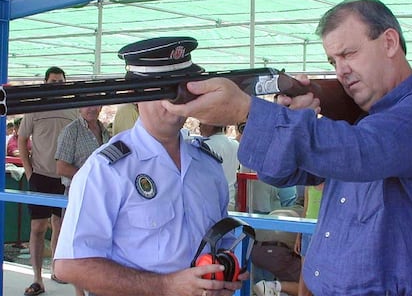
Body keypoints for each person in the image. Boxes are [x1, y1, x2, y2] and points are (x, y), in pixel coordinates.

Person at [161, 0, 412, 295]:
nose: (341, 71)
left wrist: (249, 112)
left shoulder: (393, 121)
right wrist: (295, 117)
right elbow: (283, 175)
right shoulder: (362, 120)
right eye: (333, 61)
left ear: (389, 42)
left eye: (349, 54)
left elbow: (362, 151)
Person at [53, 37, 249, 296]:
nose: (176, 100)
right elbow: (70, 266)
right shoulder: (106, 170)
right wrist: (166, 286)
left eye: (181, 89)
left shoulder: (208, 165)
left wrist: (223, 273)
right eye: (163, 90)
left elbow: (219, 240)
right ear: (136, 96)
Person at [18, 66, 78, 296]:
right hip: (40, 176)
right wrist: (29, 171)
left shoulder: (72, 109)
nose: (57, 85)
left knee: (61, 226)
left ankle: (56, 268)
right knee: (37, 228)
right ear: (45, 83)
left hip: (64, 177)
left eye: (60, 82)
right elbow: (22, 139)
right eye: (53, 82)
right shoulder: (35, 107)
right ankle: (36, 279)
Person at [55, 105, 110, 296]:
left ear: (101, 107)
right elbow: (61, 167)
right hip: (77, 195)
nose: (91, 108)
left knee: (98, 246)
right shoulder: (71, 131)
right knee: (77, 248)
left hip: (103, 198)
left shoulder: (105, 132)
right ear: (79, 107)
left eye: (95, 104)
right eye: (87, 104)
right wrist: (88, 178)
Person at [199, 123, 240, 211]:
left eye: (201, 124)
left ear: (210, 124)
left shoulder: (204, 146)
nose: (199, 127)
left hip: (211, 201)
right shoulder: (235, 145)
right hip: (230, 199)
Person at [294, 183, 323, 296]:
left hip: (321, 232)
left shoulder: (331, 185)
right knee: (305, 273)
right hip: (307, 232)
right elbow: (305, 209)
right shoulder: (309, 185)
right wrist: (299, 235)